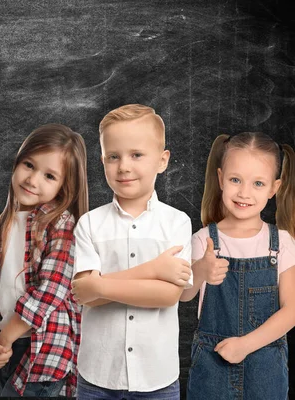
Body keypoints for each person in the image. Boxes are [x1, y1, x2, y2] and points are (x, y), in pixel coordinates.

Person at [71, 104, 192, 400]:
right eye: (113, 156)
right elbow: (84, 294)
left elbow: (167, 295)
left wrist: (100, 284)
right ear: (103, 161)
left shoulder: (177, 222)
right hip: (98, 376)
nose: (123, 166)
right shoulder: (90, 224)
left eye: (136, 155)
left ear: (162, 161)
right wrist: (152, 271)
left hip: (157, 379)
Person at [0, 123, 87, 397]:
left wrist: (3, 339)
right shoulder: (3, 224)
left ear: (65, 186)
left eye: (49, 176)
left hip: (42, 351)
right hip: (4, 347)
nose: (32, 179)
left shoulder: (61, 224)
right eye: (28, 165)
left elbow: (50, 291)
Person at [181, 132, 295, 399]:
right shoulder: (203, 239)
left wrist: (245, 345)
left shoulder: (282, 242)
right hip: (211, 366)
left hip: (266, 367)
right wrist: (200, 272)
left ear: (274, 188)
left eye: (258, 183)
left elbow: (291, 310)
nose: (244, 192)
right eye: (235, 180)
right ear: (220, 179)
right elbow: (185, 295)